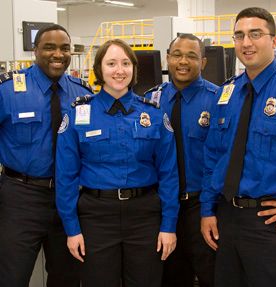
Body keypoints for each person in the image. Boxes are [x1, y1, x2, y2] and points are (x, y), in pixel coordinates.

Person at [55, 38, 179, 287]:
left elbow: (169, 173)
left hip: (144, 217)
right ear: (99, 70)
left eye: (125, 63)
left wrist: (169, 225)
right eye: (111, 63)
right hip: (96, 218)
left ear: (134, 68)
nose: (119, 70)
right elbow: (65, 177)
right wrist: (72, 229)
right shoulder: (79, 114)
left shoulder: (153, 114)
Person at [200, 7, 276, 287]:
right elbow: (213, 156)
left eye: (256, 34)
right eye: (240, 35)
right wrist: (207, 210)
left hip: (271, 223)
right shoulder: (226, 93)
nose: (246, 43)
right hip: (227, 219)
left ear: (274, 41)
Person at [0, 24, 93, 287]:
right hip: (20, 198)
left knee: (66, 277)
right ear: (35, 51)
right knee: (12, 276)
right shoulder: (8, 91)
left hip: (69, 199)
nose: (58, 54)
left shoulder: (83, 94)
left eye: (65, 48)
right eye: (49, 47)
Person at [145, 33, 218, 287]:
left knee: (211, 275)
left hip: (202, 208)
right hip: (162, 208)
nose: (183, 61)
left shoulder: (218, 100)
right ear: (167, 58)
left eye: (191, 56)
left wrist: (209, 209)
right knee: (170, 278)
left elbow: (221, 159)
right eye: (176, 55)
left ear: (204, 62)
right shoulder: (150, 102)